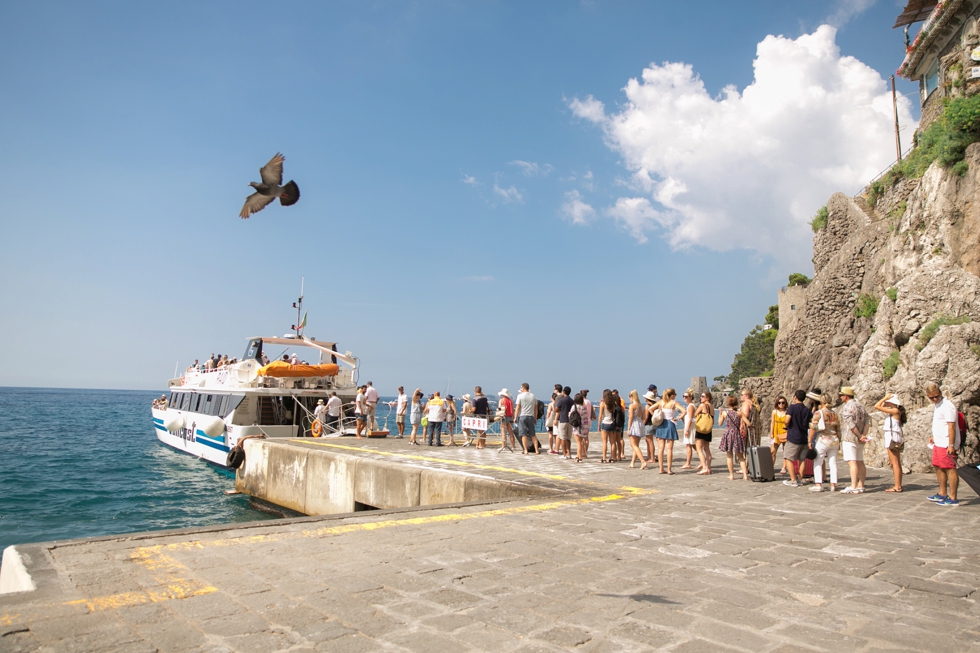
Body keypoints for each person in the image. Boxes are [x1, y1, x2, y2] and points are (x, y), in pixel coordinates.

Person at [926, 382, 961, 506]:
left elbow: (951, 426)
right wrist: (934, 436)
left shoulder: (947, 405)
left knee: (950, 468)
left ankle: (953, 497)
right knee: (938, 466)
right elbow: (941, 424)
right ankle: (942, 493)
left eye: (937, 396)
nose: (935, 399)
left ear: (940, 393)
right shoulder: (938, 405)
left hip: (946, 443)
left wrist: (951, 445)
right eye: (932, 397)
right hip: (938, 442)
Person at [839, 386, 870, 494]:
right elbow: (867, 421)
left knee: (852, 462)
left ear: (846, 396)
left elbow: (850, 424)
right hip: (860, 439)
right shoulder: (861, 406)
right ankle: (861, 485)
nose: (840, 397)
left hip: (850, 438)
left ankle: (854, 485)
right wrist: (863, 435)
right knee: (860, 461)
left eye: (841, 395)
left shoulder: (847, 407)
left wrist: (859, 435)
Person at [874, 393, 907, 492]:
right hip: (892, 436)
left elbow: (876, 406)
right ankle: (897, 484)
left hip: (892, 437)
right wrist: (886, 400)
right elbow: (882, 405)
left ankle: (897, 486)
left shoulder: (895, 411)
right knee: (894, 463)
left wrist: (885, 398)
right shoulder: (892, 411)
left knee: (895, 463)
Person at [808, 393, 841, 492]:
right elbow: (838, 429)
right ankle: (833, 484)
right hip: (834, 440)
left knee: (818, 461)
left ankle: (818, 484)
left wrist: (809, 440)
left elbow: (813, 428)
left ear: (821, 402)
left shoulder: (819, 413)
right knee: (833, 462)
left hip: (823, 439)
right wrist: (840, 440)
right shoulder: (835, 413)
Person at [783, 390, 813, 487]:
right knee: (802, 459)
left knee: (788, 458)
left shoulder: (792, 408)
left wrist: (786, 425)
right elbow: (811, 422)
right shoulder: (807, 410)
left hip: (793, 437)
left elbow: (787, 420)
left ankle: (793, 480)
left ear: (795, 397)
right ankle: (800, 479)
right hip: (804, 437)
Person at [652, 388, 683, 474]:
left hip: (661, 424)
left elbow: (650, 409)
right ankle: (669, 469)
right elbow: (684, 411)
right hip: (670, 423)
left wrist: (656, 416)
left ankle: (661, 468)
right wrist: (677, 418)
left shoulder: (661, 402)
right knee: (669, 449)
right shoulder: (674, 403)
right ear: (672, 395)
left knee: (660, 448)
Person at [718, 395, 747, 481]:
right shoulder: (739, 413)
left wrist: (720, 413)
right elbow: (748, 423)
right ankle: (745, 475)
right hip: (737, 434)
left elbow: (719, 423)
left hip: (728, 434)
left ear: (728, 403)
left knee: (729, 456)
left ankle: (731, 475)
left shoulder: (725, 413)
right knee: (741, 457)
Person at [693, 391, 714, 474]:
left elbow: (695, 414)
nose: (700, 398)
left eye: (702, 396)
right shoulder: (711, 407)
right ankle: (709, 467)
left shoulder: (702, 405)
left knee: (699, 449)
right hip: (708, 429)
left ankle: (704, 467)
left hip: (701, 429)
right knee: (707, 449)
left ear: (707, 398)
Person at [514, 384, 538, 454]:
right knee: (533, 434)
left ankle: (525, 450)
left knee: (523, 434)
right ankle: (536, 450)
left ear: (523, 388)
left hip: (523, 416)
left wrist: (515, 417)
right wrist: (535, 417)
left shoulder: (520, 396)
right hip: (531, 416)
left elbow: (518, 407)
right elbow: (535, 408)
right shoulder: (533, 396)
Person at [627, 390, 647, 469]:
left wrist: (628, 428)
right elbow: (643, 416)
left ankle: (643, 461)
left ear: (631, 397)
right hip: (640, 423)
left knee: (633, 445)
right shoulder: (640, 405)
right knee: (636, 445)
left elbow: (631, 417)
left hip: (634, 424)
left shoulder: (632, 406)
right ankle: (632, 462)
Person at [770, 396, 790, 474]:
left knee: (785, 451)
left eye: (783, 402)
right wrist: (771, 433)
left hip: (784, 431)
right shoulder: (774, 412)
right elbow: (772, 423)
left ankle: (784, 467)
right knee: (772, 451)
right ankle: (771, 466)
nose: (781, 404)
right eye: (779, 403)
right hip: (776, 432)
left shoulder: (788, 412)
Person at [553, 386, 574, 459]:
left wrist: (561, 411)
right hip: (570, 420)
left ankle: (564, 454)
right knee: (568, 438)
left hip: (563, 419)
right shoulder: (572, 401)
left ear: (564, 392)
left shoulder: (562, 400)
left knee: (562, 438)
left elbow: (556, 409)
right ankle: (569, 453)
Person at [597, 390, 617, 463]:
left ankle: (604, 458)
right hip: (612, 423)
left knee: (604, 442)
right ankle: (612, 458)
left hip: (605, 423)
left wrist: (598, 425)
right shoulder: (613, 404)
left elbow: (600, 416)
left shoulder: (603, 404)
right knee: (613, 442)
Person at [681, 389, 697, 469]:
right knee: (694, 445)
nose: (684, 398)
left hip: (690, 428)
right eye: (683, 396)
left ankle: (688, 463)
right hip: (690, 427)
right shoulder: (690, 406)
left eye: (686, 396)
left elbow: (690, 418)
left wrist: (687, 429)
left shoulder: (691, 406)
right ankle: (703, 461)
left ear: (690, 397)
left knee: (689, 445)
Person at [572, 392, 590, 462]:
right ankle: (578, 455)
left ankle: (579, 458)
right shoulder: (584, 407)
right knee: (581, 442)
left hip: (577, 426)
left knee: (578, 443)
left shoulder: (574, 407)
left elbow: (570, 415)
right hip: (584, 426)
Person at [642, 391, 658, 464]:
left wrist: (642, 425)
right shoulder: (655, 405)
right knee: (650, 441)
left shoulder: (647, 406)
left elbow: (646, 417)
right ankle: (650, 456)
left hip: (649, 424)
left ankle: (652, 458)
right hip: (655, 424)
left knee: (649, 441)